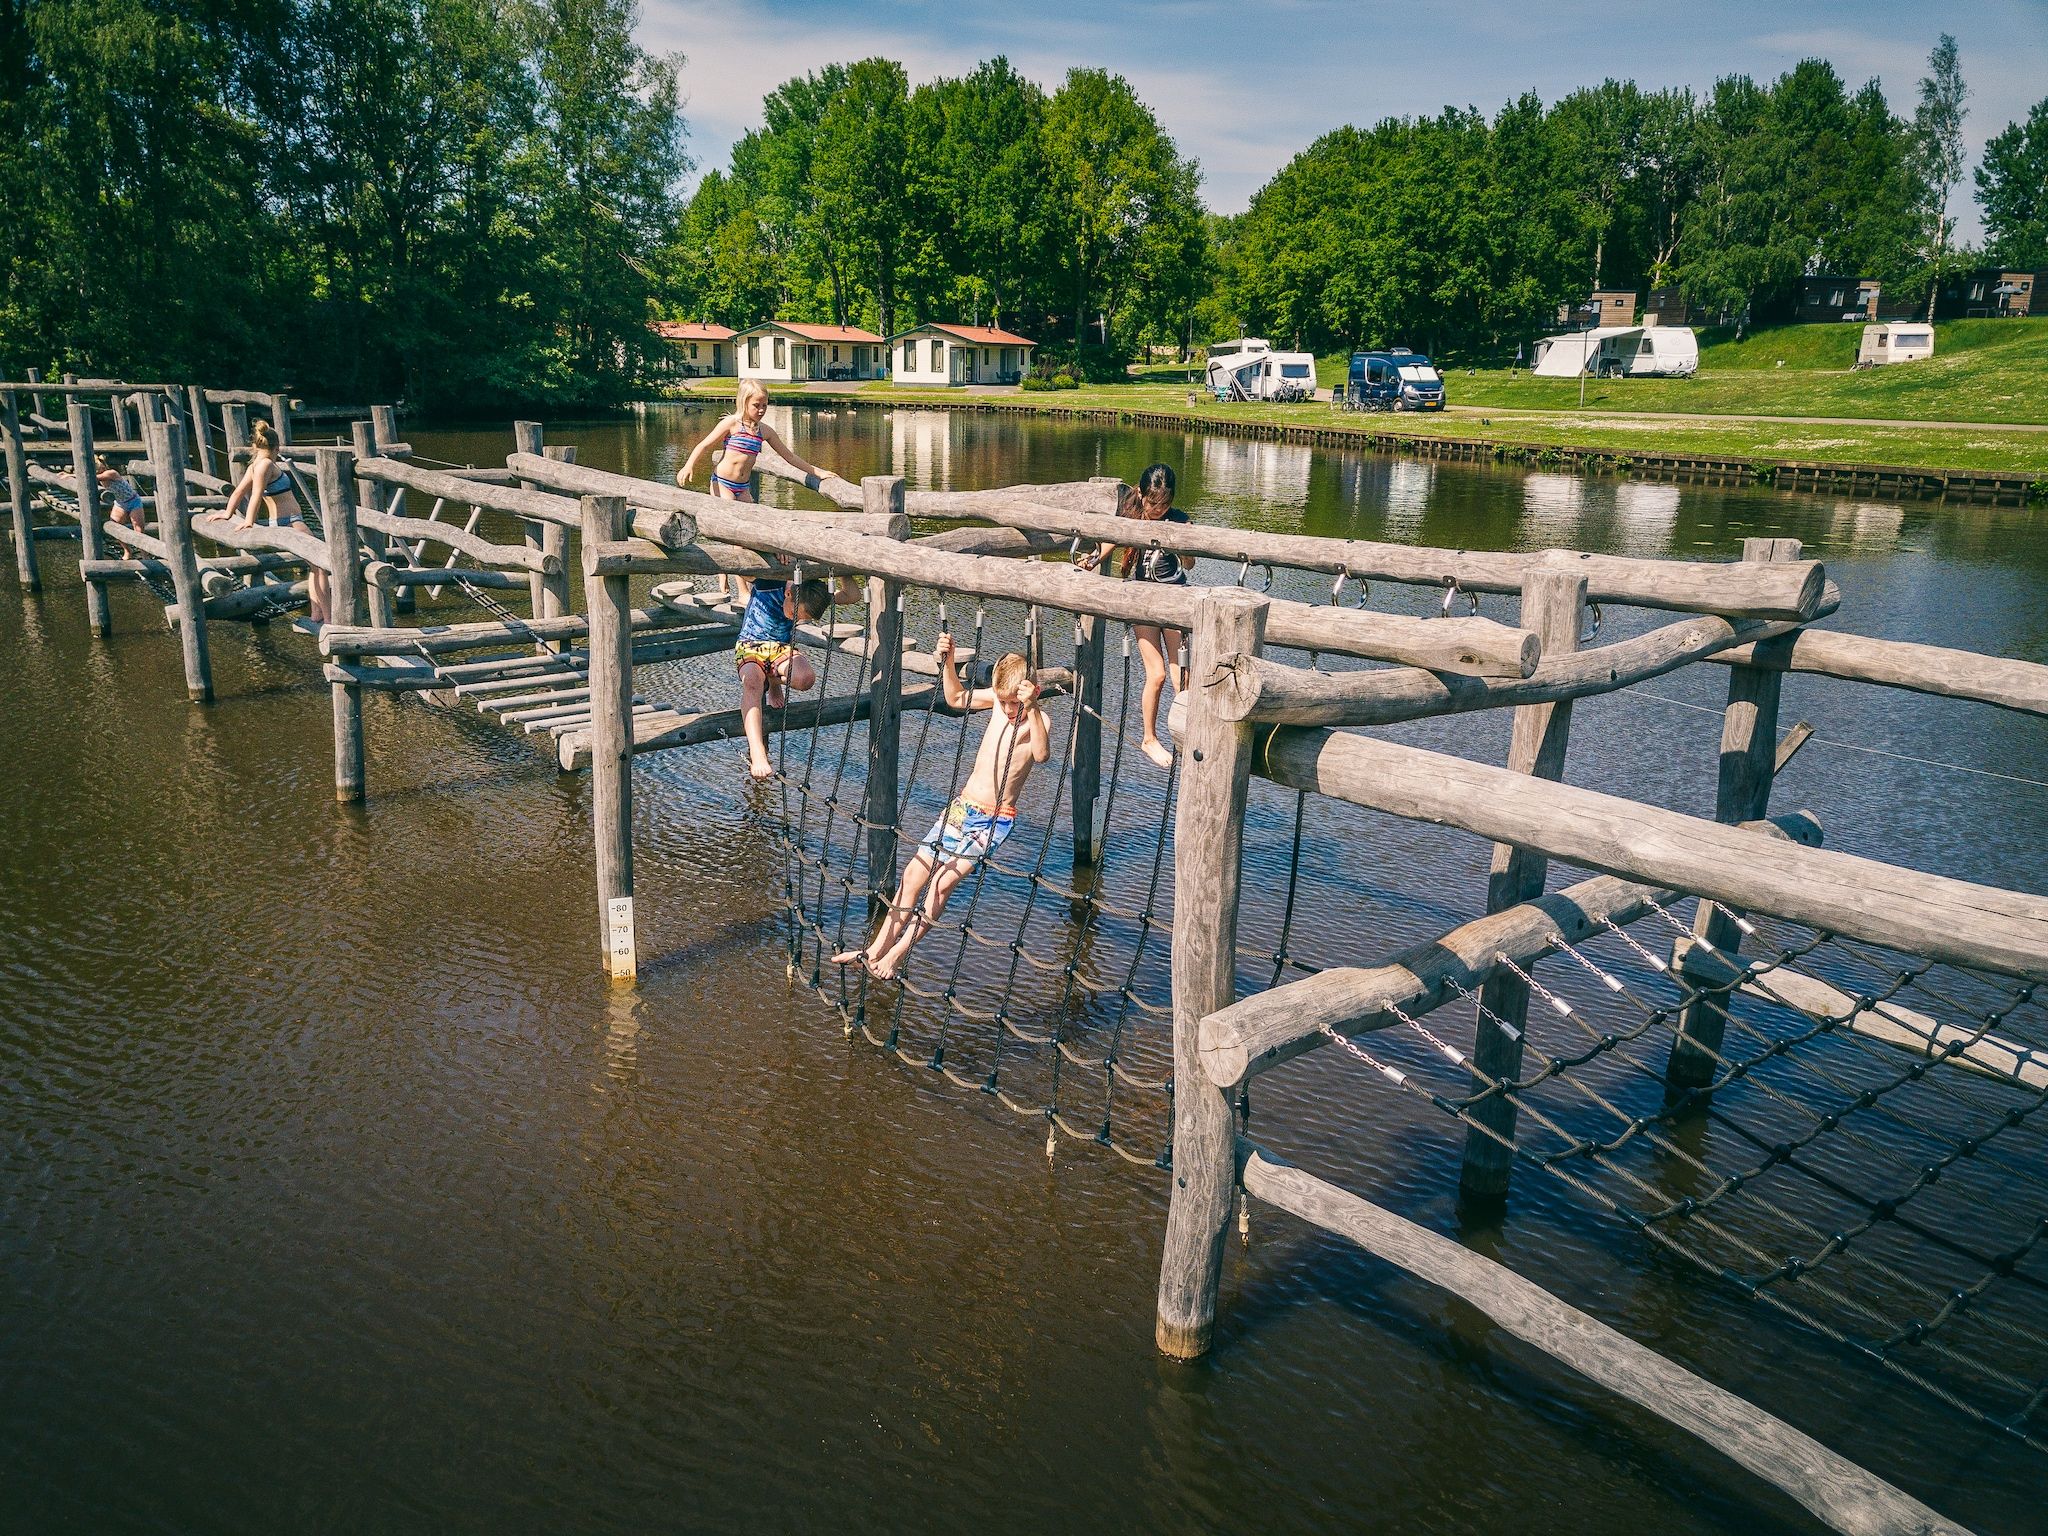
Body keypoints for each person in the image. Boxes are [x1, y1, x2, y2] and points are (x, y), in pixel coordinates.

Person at [833, 636, 1050, 980]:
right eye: (1004, 701)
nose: (1008, 709)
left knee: (941, 884)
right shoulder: (996, 701)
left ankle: (897, 955)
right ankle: (873, 950)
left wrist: (1033, 709)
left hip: (993, 821)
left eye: (1014, 703)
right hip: (962, 809)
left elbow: (1041, 754)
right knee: (912, 876)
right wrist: (947, 662)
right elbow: (955, 697)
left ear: (1029, 691)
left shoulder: (1035, 719)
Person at [1076, 462, 1192, 767]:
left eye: (1165, 504)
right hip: (1144, 604)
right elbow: (1108, 544)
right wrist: (1092, 559)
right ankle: (1149, 738)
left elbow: (1190, 565)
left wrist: (1181, 542)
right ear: (1141, 495)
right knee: (1158, 674)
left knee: (1183, 680)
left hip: (1175, 601)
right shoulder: (1131, 516)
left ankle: (1185, 737)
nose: (1158, 510)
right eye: (1154, 504)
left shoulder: (1179, 520)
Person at [677, 379, 827, 601]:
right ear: (744, 402)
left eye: (764, 405)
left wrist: (817, 472)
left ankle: (728, 570)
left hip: (742, 487)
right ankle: (743, 591)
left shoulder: (764, 431)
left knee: (754, 528)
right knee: (738, 535)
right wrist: (688, 465)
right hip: (722, 484)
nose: (761, 410)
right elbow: (704, 445)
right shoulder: (732, 424)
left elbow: (789, 457)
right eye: (757, 405)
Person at [733, 571, 848, 779]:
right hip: (750, 645)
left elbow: (851, 595)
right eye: (796, 615)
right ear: (788, 594)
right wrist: (745, 589)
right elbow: (737, 565)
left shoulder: (811, 595)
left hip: (781, 649)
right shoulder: (769, 581)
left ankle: (773, 681)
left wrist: (840, 568)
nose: (795, 619)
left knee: (806, 679)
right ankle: (758, 751)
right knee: (752, 681)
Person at [222, 419, 328, 623]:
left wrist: (227, 513)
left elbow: (238, 492)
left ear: (255, 446)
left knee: (315, 566)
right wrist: (250, 521)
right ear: (276, 448)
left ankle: (317, 613)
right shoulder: (267, 465)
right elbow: (255, 494)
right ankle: (330, 618)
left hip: (284, 521)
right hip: (289, 521)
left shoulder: (254, 466)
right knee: (320, 565)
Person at [94, 455, 147, 539]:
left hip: (133, 501)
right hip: (120, 503)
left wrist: (71, 475)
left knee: (139, 529)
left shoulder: (111, 473)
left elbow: (93, 477)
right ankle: (127, 550)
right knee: (115, 528)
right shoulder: (100, 476)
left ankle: (143, 552)